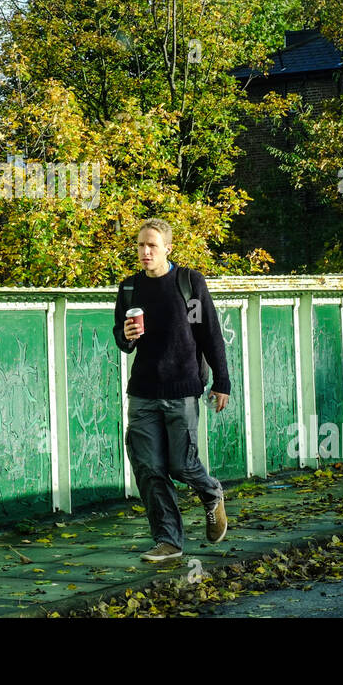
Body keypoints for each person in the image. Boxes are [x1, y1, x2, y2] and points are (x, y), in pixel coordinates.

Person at [113, 218, 229, 562]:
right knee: (149, 470)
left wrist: (221, 382)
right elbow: (122, 339)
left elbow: (210, 334)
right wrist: (127, 336)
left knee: (182, 465)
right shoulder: (130, 288)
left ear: (168, 248)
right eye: (140, 245)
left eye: (152, 245)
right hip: (143, 392)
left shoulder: (188, 283)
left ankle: (211, 494)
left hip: (182, 389)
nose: (145, 251)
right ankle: (169, 541)